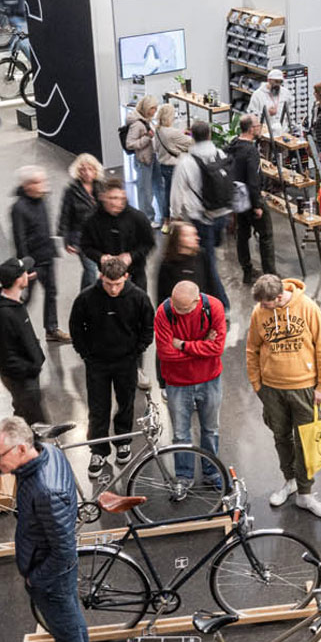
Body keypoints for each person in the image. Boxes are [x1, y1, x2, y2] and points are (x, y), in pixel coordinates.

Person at [0, 416, 92, 642]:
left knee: (70, 640)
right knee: (72, 631)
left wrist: (36, 579)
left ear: (21, 449)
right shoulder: (46, 454)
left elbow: (64, 553)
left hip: (51, 579)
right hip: (49, 571)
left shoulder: (46, 490)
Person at [247, 274, 321, 518]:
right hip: (272, 389)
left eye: (266, 303)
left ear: (278, 297)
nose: (262, 308)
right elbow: (252, 349)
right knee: (281, 437)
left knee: (306, 441)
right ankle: (290, 481)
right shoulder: (259, 312)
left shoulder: (307, 307)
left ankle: (305, 493)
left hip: (304, 387)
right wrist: (257, 384)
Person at [69, 255, 155, 474]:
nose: (113, 289)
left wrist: (136, 351)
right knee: (98, 408)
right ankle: (98, 451)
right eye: (108, 284)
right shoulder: (86, 298)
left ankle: (123, 441)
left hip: (126, 361)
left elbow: (147, 327)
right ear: (101, 277)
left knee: (126, 403)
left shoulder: (139, 298)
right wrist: (85, 354)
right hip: (97, 363)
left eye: (117, 284)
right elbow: (76, 327)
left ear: (126, 276)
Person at [155, 279, 227, 489]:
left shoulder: (214, 307)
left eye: (184, 309)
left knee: (210, 429)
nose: (178, 312)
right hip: (177, 382)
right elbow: (165, 354)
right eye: (176, 306)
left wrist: (182, 345)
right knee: (180, 434)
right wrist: (202, 346)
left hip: (209, 379)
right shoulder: (164, 312)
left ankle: (211, 472)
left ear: (197, 301)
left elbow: (217, 348)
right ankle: (184, 476)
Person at [170, 120, 232, 306]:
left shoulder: (186, 162)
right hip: (222, 214)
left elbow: (176, 193)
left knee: (208, 263)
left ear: (191, 136)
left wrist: (175, 215)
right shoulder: (220, 154)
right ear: (210, 135)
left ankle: (222, 304)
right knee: (211, 255)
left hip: (201, 218)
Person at [0, 257, 47, 425]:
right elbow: (5, 355)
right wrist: (30, 369)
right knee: (35, 425)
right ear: (18, 280)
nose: (28, 274)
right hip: (22, 379)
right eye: (25, 272)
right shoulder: (3, 314)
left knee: (23, 415)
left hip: (26, 375)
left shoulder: (14, 303)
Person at [11, 165, 68, 344]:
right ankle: (14, 330)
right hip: (32, 262)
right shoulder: (19, 208)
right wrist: (26, 267)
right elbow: (19, 239)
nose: (43, 185)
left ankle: (51, 329)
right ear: (27, 185)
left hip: (47, 257)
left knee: (51, 292)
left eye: (43, 181)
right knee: (26, 298)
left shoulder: (43, 200)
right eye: (38, 182)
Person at [227, 115, 276, 284]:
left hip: (238, 198)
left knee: (242, 234)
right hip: (250, 198)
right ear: (251, 129)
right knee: (266, 235)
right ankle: (270, 276)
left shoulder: (233, 144)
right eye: (258, 125)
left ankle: (247, 271)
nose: (260, 127)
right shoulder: (251, 151)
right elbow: (253, 180)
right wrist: (257, 205)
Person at [81, 177, 156, 285]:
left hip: (135, 274)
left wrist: (131, 256)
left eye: (120, 198)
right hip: (108, 277)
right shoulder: (92, 220)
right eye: (112, 198)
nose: (116, 202)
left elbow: (149, 243)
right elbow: (86, 246)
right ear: (103, 197)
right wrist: (100, 257)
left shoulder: (138, 218)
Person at [59, 154, 103, 292]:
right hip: (80, 237)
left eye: (90, 169)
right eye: (83, 169)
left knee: (92, 269)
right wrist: (66, 240)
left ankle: (84, 295)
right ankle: (88, 297)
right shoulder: (71, 191)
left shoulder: (101, 187)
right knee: (90, 269)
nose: (87, 173)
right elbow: (65, 215)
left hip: (99, 235)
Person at [124, 95, 161, 225]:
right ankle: (147, 219)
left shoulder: (147, 120)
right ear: (146, 108)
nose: (155, 111)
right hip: (144, 160)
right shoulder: (137, 124)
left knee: (157, 186)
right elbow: (130, 144)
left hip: (152, 157)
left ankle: (159, 215)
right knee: (145, 191)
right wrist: (146, 138)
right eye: (152, 108)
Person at [153, 102, 193, 219]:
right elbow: (191, 142)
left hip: (163, 166)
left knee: (167, 193)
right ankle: (178, 218)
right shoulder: (172, 132)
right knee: (177, 195)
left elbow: (156, 147)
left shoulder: (158, 130)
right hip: (173, 166)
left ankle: (166, 219)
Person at [246, 69, 292, 137]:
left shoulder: (285, 93)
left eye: (280, 82)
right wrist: (267, 113)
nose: (278, 84)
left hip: (283, 132)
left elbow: (290, 110)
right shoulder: (257, 95)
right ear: (269, 80)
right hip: (266, 133)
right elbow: (251, 116)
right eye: (276, 81)